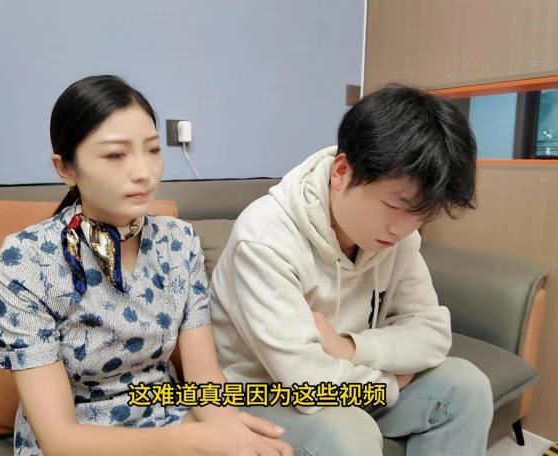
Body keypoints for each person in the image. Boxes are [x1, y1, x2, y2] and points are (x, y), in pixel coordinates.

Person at [0, 75, 291, 456]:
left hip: (168, 419)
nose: (144, 172)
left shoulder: (180, 242)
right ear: (66, 169)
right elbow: (59, 440)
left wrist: (233, 432)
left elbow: (203, 378)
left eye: (152, 150)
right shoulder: (27, 260)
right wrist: (195, 440)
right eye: (116, 155)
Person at [208, 84, 493, 455]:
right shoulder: (265, 239)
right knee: (348, 433)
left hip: (348, 379)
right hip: (264, 390)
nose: (402, 229)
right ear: (341, 172)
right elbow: (307, 384)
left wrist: (349, 347)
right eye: (395, 205)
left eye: (421, 214)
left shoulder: (399, 239)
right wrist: (390, 383)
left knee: (467, 386)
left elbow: (433, 334)